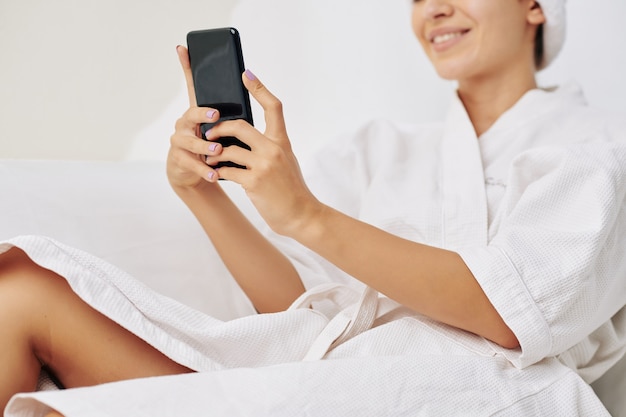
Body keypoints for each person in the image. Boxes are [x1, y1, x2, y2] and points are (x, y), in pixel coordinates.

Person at [1, 0, 625, 415]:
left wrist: (306, 214)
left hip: (466, 391)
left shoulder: (595, 150)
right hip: (319, 373)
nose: (433, 9)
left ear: (535, 7)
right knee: (18, 288)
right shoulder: (379, 150)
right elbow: (298, 312)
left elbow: (513, 314)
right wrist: (205, 195)